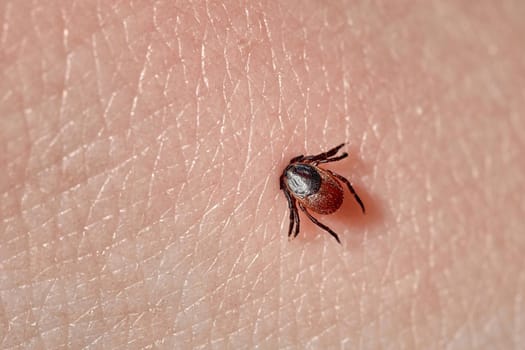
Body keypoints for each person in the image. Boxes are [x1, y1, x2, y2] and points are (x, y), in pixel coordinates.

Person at [1, 1, 524, 348]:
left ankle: (344, 220)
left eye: (304, 170)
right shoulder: (314, 185)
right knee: (341, 200)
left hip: (327, 205)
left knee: (339, 203)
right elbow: (329, 173)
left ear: (308, 173)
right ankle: (344, 218)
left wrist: (318, 205)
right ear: (306, 179)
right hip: (328, 204)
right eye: (303, 173)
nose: (302, 174)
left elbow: (323, 178)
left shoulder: (308, 190)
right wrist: (325, 199)